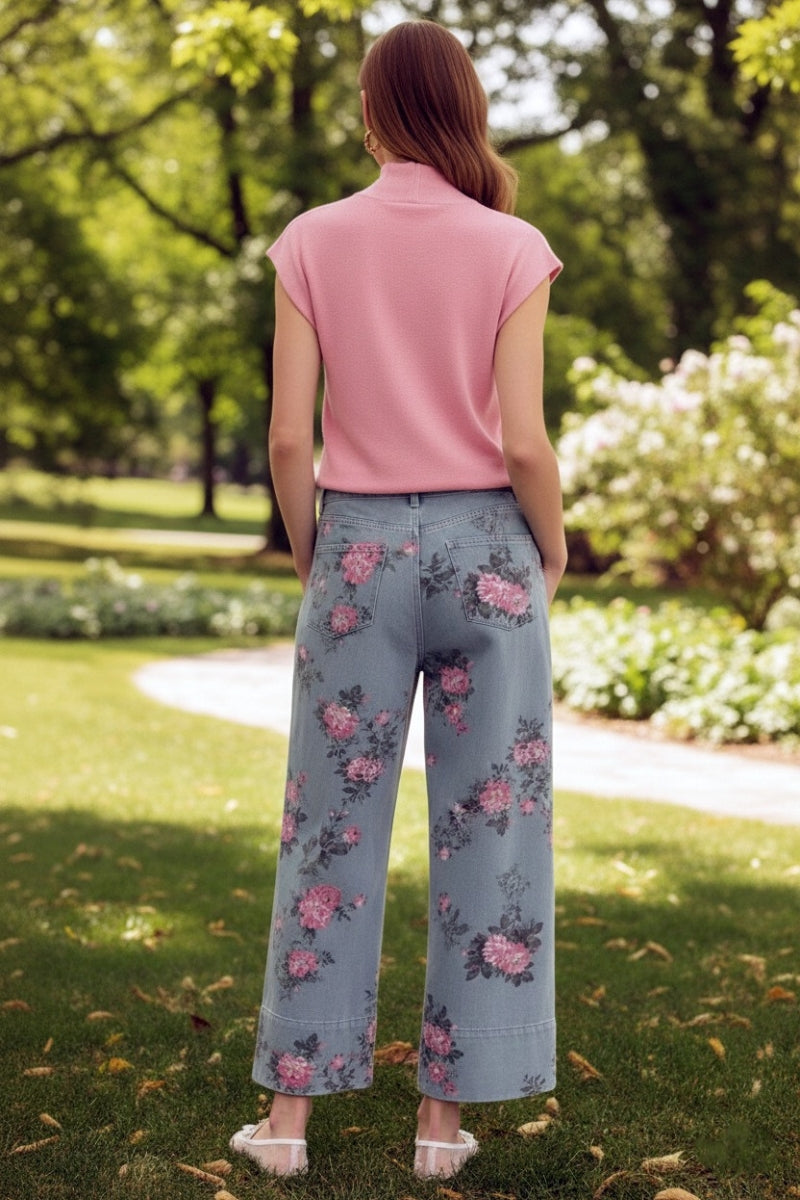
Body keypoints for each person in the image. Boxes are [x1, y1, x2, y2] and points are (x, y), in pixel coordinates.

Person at [229, 18, 567, 1181]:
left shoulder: (311, 240)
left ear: (373, 115)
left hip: (358, 551)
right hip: (487, 546)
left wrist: (317, 551)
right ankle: (441, 1127)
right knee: (492, 829)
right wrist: (552, 551)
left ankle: (286, 1127)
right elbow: (524, 441)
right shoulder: (512, 246)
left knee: (325, 831)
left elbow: (287, 436)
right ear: (463, 109)